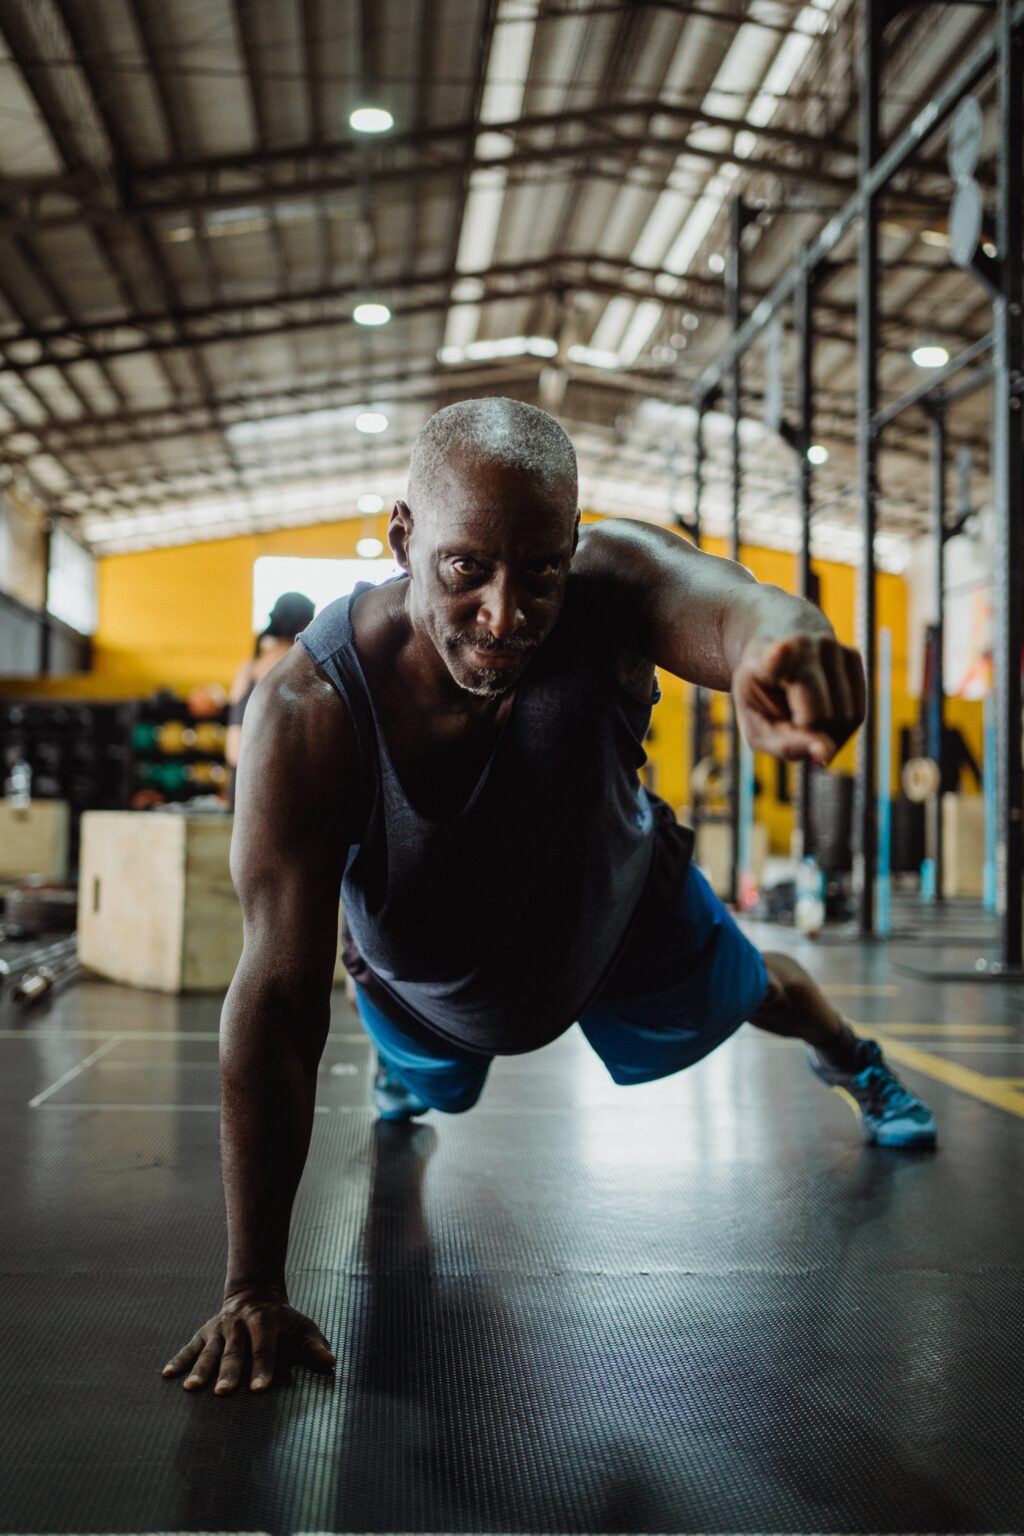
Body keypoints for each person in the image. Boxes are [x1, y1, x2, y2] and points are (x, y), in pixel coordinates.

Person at [162, 397, 936, 1399]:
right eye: (463, 570)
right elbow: (272, 999)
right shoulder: (308, 711)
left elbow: (719, 599)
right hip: (431, 963)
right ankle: (407, 1073)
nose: (505, 614)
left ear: (572, 546)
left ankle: (858, 1065)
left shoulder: (607, 588)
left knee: (768, 994)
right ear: (404, 538)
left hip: (615, 900)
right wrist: (251, 1287)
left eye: (540, 573)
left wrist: (781, 640)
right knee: (432, 1080)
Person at [225, 591, 316, 807]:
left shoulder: (249, 665)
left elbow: (234, 730)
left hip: (238, 780)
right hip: (268, 781)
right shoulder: (296, 660)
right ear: (304, 624)